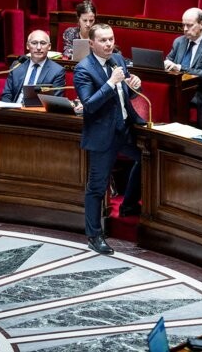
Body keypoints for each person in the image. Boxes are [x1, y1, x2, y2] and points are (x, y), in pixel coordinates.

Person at [74, 23, 145, 255]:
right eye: (103, 40)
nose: (108, 44)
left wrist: (134, 85)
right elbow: (90, 105)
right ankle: (94, 236)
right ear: (91, 43)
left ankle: (129, 205)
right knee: (96, 187)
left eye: (111, 39)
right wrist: (111, 82)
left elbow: (125, 95)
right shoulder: (83, 69)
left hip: (124, 129)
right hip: (102, 135)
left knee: (147, 159)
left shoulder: (118, 60)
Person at [164, 8, 202, 131]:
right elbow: (169, 60)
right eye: (183, 25)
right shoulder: (179, 42)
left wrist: (180, 67)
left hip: (199, 93)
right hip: (178, 90)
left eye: (189, 25)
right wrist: (166, 64)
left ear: (201, 24)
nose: (185, 29)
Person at [0, 30, 66, 103]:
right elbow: (6, 95)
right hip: (14, 110)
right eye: (34, 43)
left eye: (43, 43)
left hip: (38, 112)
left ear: (49, 46)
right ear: (27, 46)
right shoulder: (17, 65)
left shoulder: (57, 71)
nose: (38, 47)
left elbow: (55, 102)